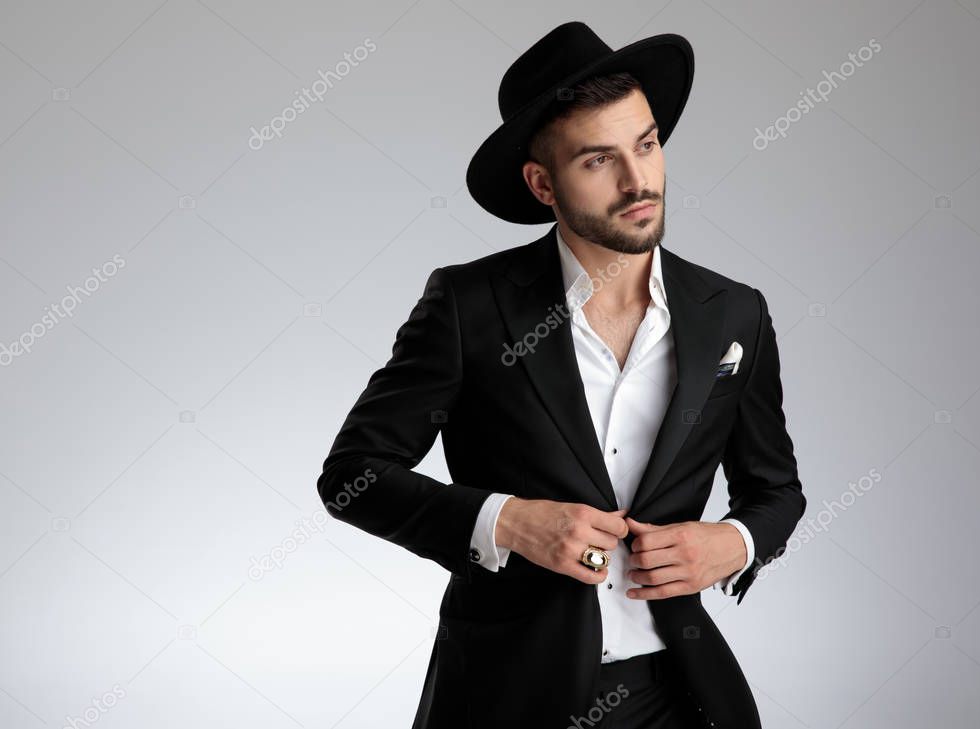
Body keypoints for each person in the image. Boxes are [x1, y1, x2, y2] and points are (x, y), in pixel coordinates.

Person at [316, 21, 806, 729]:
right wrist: (507, 521)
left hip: (679, 688)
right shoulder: (467, 305)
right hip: (505, 693)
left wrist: (735, 541)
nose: (638, 181)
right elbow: (352, 474)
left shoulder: (734, 312)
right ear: (542, 183)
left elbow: (774, 489)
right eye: (597, 160)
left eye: (646, 145)